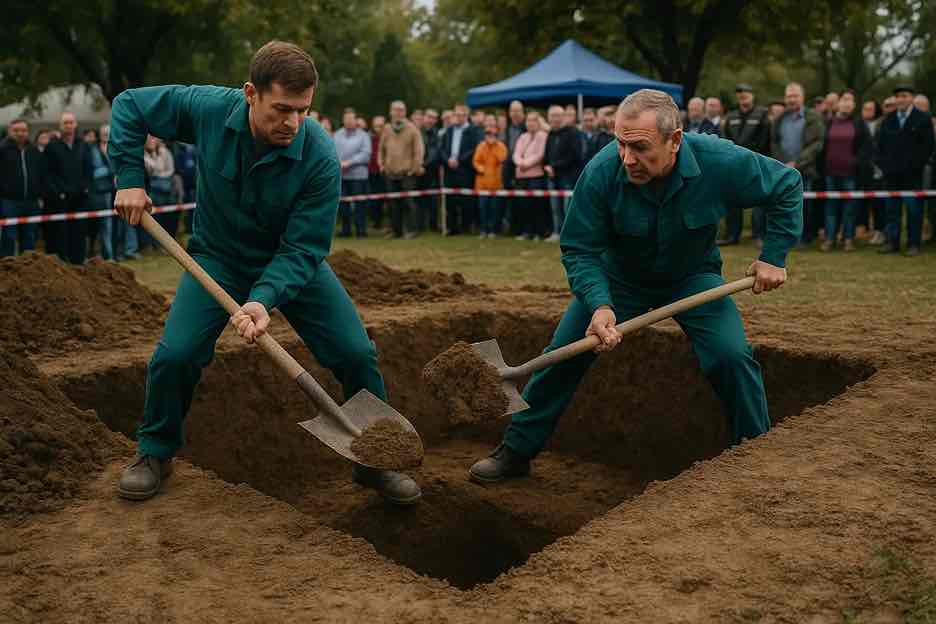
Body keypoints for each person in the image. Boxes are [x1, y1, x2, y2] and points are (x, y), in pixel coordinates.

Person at [109, 40, 421, 505]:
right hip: (216, 258)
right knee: (175, 355)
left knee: (356, 352)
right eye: (281, 109)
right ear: (250, 93)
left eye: (302, 111)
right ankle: (155, 451)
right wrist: (130, 177)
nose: (292, 123)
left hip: (292, 265)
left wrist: (263, 297)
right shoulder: (211, 109)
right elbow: (130, 105)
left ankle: (373, 459)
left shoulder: (318, 155)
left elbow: (305, 247)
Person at [469, 89, 802, 483]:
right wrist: (599, 304)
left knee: (731, 357)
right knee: (562, 356)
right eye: (620, 143)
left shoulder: (720, 161)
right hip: (618, 280)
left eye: (640, 147)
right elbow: (579, 248)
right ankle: (517, 450)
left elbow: (786, 184)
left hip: (692, 278)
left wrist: (774, 256)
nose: (627, 158)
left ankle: (753, 456)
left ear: (674, 139)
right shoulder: (600, 172)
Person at [875, 85, 935, 256]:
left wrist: (915, 166)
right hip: (891, 176)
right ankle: (892, 243)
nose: (900, 99)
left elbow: (928, 147)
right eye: (898, 96)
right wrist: (885, 166)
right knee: (892, 211)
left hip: (913, 175)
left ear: (911, 98)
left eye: (904, 95)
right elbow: (880, 147)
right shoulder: (889, 120)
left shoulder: (923, 119)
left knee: (914, 211)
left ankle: (913, 244)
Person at [771, 82, 825, 245]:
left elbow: (817, 143)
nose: (791, 99)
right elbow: (774, 142)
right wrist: (783, 163)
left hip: (805, 170)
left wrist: (797, 163)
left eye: (795, 96)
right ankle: (786, 238)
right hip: (783, 170)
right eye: (788, 96)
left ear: (802, 97)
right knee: (783, 206)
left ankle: (803, 237)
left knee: (804, 206)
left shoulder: (813, 117)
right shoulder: (779, 119)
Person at [817, 90, 871, 252]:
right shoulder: (828, 122)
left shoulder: (859, 123)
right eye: (844, 99)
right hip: (830, 173)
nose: (847, 103)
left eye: (851, 100)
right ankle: (829, 239)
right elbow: (822, 148)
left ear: (854, 105)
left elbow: (866, 148)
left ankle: (848, 239)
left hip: (851, 174)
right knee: (831, 207)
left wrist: (856, 162)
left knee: (850, 208)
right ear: (838, 102)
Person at [719, 84, 771, 245]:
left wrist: (755, 158)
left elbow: (765, 139)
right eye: (740, 93)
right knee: (733, 201)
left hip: (756, 162)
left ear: (752, 95)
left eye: (746, 92)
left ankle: (758, 235)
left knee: (758, 201)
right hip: (734, 164)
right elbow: (725, 139)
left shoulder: (762, 114)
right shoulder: (731, 115)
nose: (743, 96)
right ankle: (732, 236)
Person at [44, 111, 92, 264]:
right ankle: (62, 261)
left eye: (71, 122)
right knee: (61, 232)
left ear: (76, 124)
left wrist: (85, 187)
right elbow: (48, 173)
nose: (68, 126)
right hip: (60, 198)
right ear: (60, 126)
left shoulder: (83, 145)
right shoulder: (52, 147)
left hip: (80, 197)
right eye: (65, 123)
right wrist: (59, 192)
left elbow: (88, 169)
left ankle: (78, 260)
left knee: (79, 231)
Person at [378, 100, 424, 239]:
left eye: (401, 110)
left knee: (409, 203)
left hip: (407, 173)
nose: (398, 113)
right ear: (391, 112)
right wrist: (381, 165)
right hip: (390, 173)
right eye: (395, 110)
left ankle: (412, 230)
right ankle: (396, 231)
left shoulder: (412, 129)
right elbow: (381, 150)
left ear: (405, 112)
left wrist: (414, 168)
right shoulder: (386, 129)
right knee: (393, 204)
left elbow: (419, 150)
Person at [0, 119, 45, 256]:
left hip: (31, 201)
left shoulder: (33, 150)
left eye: (23, 130)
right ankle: (8, 268)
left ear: (28, 132)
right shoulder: (2, 150)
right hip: (9, 201)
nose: (20, 133)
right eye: (16, 130)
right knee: (9, 236)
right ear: (9, 131)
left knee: (30, 237)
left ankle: (27, 271)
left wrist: (40, 194)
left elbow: (41, 173)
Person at [543, 104, 582, 242]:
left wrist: (554, 166)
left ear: (564, 117)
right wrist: (547, 167)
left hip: (568, 177)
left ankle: (569, 235)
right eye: (552, 116)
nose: (555, 119)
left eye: (558, 115)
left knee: (567, 208)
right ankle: (556, 232)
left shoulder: (573, 132)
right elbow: (546, 154)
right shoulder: (551, 134)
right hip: (553, 177)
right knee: (555, 208)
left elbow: (575, 155)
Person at [441, 103, 481, 234]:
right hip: (450, 170)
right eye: (457, 115)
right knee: (450, 201)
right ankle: (452, 228)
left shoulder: (473, 131)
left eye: (462, 115)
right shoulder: (449, 130)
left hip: (465, 170)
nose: (459, 117)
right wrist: (448, 160)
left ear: (467, 116)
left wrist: (460, 160)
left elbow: (475, 149)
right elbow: (441, 149)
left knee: (466, 200)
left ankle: (466, 227)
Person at [333, 107, 371, 238]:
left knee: (360, 205)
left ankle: (361, 231)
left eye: (351, 119)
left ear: (356, 120)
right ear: (343, 120)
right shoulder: (337, 135)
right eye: (346, 119)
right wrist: (339, 163)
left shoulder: (364, 135)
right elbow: (332, 152)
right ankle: (345, 230)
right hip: (342, 176)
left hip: (358, 176)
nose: (348, 121)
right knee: (343, 205)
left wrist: (349, 162)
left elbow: (366, 154)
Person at [511, 111, 549, 241]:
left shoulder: (543, 136)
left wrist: (526, 164)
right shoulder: (523, 136)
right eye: (528, 121)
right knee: (523, 205)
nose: (530, 123)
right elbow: (516, 153)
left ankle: (539, 232)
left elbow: (540, 154)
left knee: (537, 205)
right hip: (521, 175)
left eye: (533, 120)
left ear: (538, 122)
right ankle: (527, 231)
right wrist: (520, 162)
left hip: (536, 175)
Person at [472, 115, 508, 238]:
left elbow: (502, 159)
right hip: (482, 184)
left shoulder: (501, 146)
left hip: (497, 183)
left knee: (495, 209)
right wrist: (480, 168)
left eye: (492, 134)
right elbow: (475, 161)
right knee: (483, 208)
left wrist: (493, 146)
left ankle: (494, 231)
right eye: (487, 134)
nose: (490, 136)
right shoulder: (480, 146)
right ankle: (483, 230)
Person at [88, 125, 118, 260]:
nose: (106, 135)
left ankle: (114, 253)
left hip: (116, 191)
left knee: (115, 225)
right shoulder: (92, 150)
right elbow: (93, 173)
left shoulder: (117, 148)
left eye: (109, 133)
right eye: (104, 133)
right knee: (105, 224)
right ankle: (108, 255)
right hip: (100, 192)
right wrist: (109, 170)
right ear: (99, 135)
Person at [860, 99, 886, 244]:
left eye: (870, 109)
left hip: (880, 170)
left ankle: (881, 231)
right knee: (869, 204)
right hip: (866, 170)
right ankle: (872, 230)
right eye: (864, 108)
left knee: (880, 203)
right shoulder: (859, 125)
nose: (866, 111)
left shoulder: (881, 124)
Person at [144, 135, 178, 241]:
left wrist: (158, 175)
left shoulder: (165, 152)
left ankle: (171, 239)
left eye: (153, 138)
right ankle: (156, 243)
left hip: (168, 189)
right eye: (149, 139)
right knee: (156, 219)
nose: (151, 141)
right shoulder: (144, 154)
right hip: (153, 191)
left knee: (170, 217)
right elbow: (151, 171)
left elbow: (170, 170)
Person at [501, 100, 526, 235]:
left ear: (522, 112)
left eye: (517, 110)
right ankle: (513, 229)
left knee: (522, 201)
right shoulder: (507, 129)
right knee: (510, 201)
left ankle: (523, 229)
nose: (515, 113)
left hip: (523, 168)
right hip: (508, 169)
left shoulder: (527, 127)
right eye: (512, 111)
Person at [418, 108, 442, 232]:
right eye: (429, 117)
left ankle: (433, 224)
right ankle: (419, 225)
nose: (431, 120)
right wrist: (418, 165)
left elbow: (435, 153)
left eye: (434, 118)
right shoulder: (417, 132)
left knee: (433, 201)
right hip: (417, 171)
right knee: (418, 200)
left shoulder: (437, 134)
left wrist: (423, 164)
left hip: (431, 171)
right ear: (424, 117)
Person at [367, 115, 386, 230]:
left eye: (380, 126)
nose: (378, 129)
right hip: (372, 171)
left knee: (387, 199)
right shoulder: (368, 138)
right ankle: (376, 222)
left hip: (385, 171)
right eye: (376, 126)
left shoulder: (388, 137)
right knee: (374, 199)